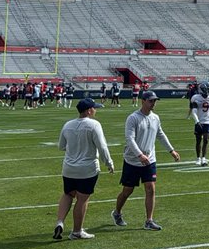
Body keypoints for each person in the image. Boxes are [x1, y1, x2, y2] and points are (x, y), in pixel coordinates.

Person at [112, 91, 180, 231]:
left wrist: (171, 150)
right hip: (132, 160)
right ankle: (117, 212)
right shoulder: (133, 118)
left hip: (150, 160)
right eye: (151, 101)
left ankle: (149, 220)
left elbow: (160, 134)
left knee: (150, 188)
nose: (153, 103)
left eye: (155, 101)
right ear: (143, 101)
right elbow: (129, 139)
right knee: (127, 191)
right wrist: (139, 155)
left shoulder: (155, 118)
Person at [55, 98, 114, 240]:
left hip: (68, 167)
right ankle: (76, 231)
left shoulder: (68, 124)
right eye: (94, 108)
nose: (96, 110)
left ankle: (60, 222)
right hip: (87, 169)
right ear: (88, 111)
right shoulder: (94, 125)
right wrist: (109, 162)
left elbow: (61, 146)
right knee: (82, 199)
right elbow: (102, 146)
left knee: (68, 194)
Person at [188, 81, 209, 166]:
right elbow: (194, 112)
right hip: (199, 122)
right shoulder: (196, 98)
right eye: (207, 89)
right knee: (198, 141)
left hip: (207, 121)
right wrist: (197, 121)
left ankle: (204, 158)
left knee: (206, 140)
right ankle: (198, 158)